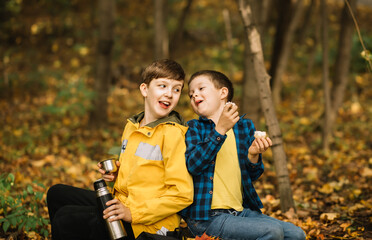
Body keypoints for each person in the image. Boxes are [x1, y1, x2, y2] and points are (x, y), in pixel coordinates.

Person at [47, 59, 194, 239]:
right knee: (57, 194)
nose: (169, 94)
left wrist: (133, 213)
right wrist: (117, 173)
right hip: (123, 204)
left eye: (176, 89)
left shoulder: (172, 134)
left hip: (148, 223)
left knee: (65, 219)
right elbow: (144, 171)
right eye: (162, 86)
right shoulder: (133, 126)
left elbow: (182, 195)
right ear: (144, 89)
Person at [180, 70, 306, 240]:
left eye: (201, 88)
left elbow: (253, 175)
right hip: (206, 217)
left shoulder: (244, 127)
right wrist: (220, 130)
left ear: (223, 93)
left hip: (240, 212)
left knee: (296, 234)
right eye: (191, 94)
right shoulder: (194, 128)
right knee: (272, 232)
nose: (195, 94)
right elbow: (194, 166)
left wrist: (253, 155)